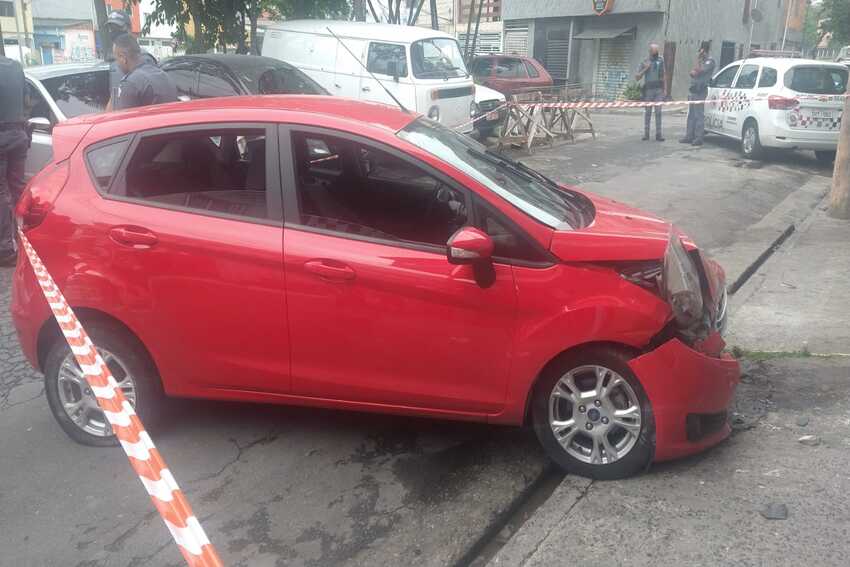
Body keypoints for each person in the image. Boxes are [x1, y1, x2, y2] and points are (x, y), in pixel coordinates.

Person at [0, 55, 29, 267]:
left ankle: (6, 250)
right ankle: (28, 239)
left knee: (1, 193)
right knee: (19, 189)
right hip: (19, 134)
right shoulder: (16, 67)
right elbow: (27, 100)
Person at [103, 11, 157, 110]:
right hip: (117, 120)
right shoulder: (114, 61)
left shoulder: (143, 58)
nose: (113, 31)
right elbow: (114, 96)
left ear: (129, 29)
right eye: (111, 28)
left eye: (117, 28)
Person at [112, 33, 179, 111]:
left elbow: (124, 120)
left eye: (116, 59)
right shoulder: (165, 76)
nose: (117, 64)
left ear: (123, 57)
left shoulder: (130, 84)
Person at [680, 41, 716, 147]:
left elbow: (698, 71)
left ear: (705, 50)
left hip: (701, 90)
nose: (700, 53)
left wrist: (698, 63)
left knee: (698, 115)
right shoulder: (701, 60)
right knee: (691, 115)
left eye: (701, 51)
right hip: (693, 89)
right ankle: (689, 136)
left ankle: (698, 137)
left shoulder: (710, 61)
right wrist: (698, 60)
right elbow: (693, 72)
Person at [636, 43, 666, 142]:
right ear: (650, 51)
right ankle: (646, 134)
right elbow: (637, 77)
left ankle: (659, 134)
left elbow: (663, 75)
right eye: (654, 52)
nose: (656, 54)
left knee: (658, 112)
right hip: (648, 90)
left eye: (657, 52)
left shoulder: (661, 60)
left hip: (658, 90)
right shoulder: (645, 61)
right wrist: (646, 68)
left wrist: (665, 90)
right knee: (648, 112)